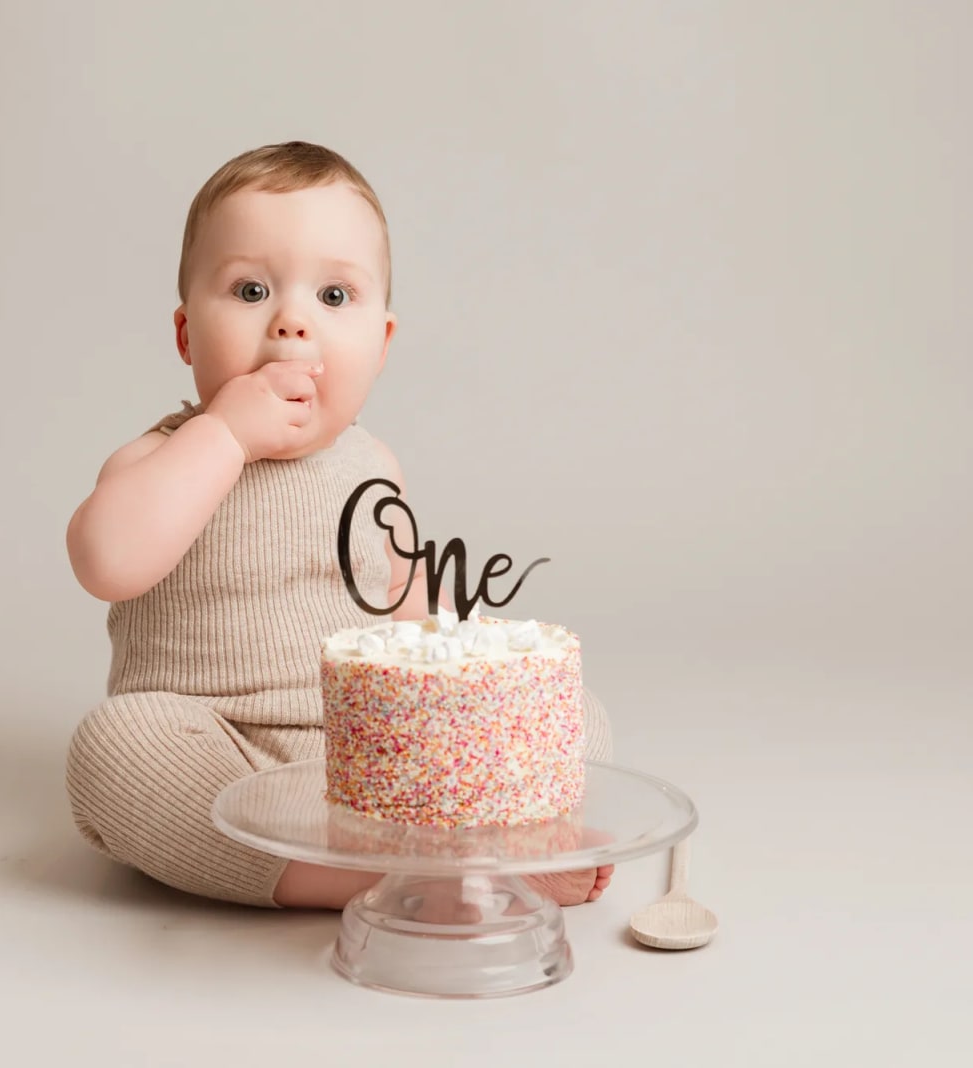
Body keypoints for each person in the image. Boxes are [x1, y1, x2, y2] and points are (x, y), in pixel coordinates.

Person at [64, 141, 613, 908]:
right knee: (115, 747)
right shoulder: (161, 456)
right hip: (225, 752)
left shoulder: (373, 467)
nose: (292, 324)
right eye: (251, 290)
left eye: (333, 298)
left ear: (381, 345)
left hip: (372, 756)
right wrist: (225, 435)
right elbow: (106, 560)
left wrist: (461, 689)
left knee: (563, 708)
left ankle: (463, 838)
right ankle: (398, 873)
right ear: (187, 334)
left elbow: (409, 610)